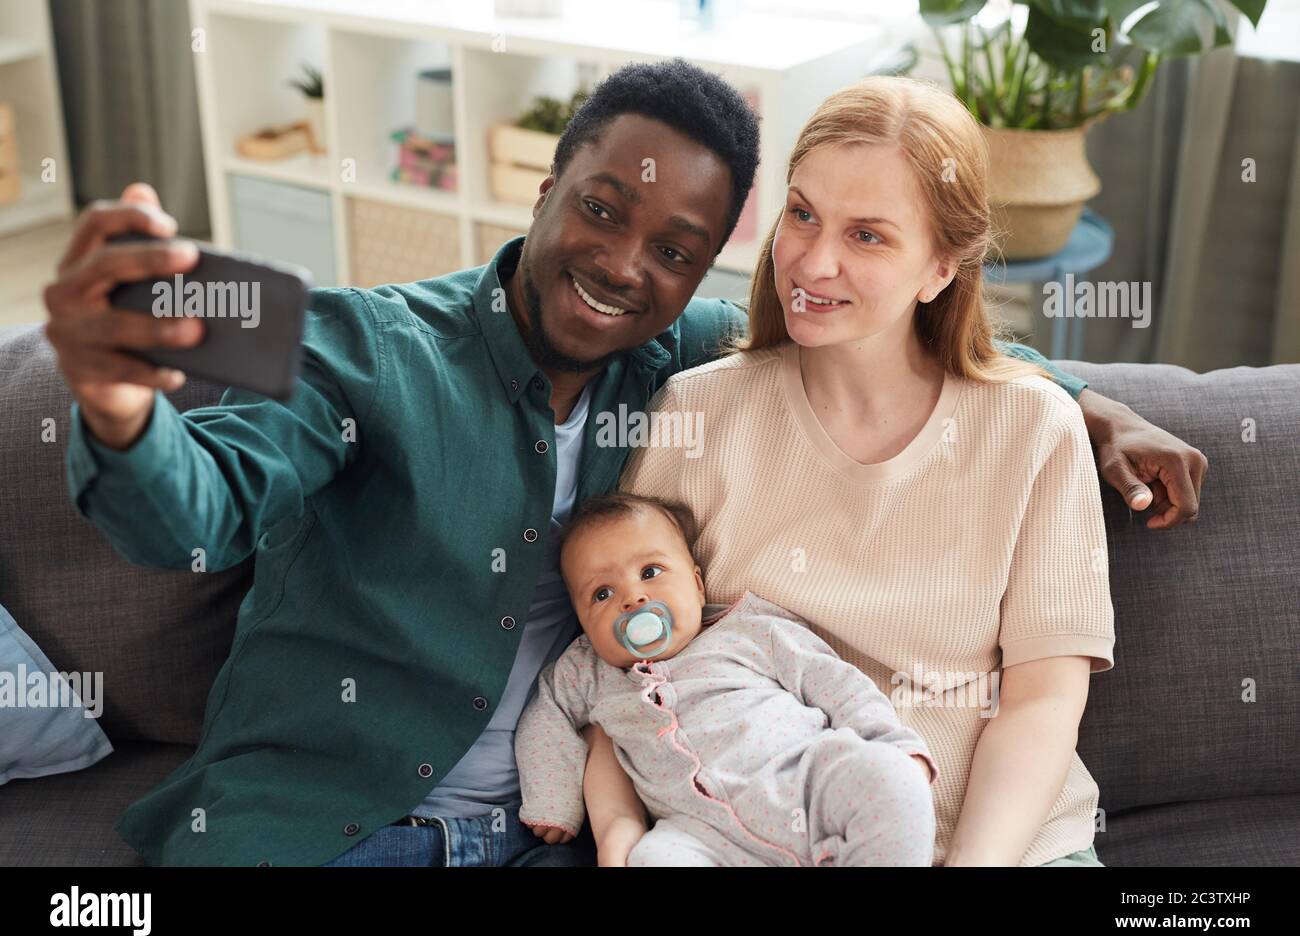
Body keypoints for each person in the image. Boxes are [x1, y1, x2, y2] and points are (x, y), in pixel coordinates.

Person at [40, 59, 1205, 866]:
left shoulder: (680, 363)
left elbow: (912, 346)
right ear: (544, 191)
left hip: (549, 834)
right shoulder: (368, 348)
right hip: (334, 824)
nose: (618, 267)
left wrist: (1090, 402)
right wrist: (116, 399)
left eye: (674, 250)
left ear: (701, 272)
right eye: (598, 209)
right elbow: (195, 510)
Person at [602, 74, 1170, 867]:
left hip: (999, 849)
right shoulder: (697, 412)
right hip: (756, 843)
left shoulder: (1033, 429)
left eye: (867, 235)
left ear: (942, 267)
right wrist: (621, 835)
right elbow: (631, 662)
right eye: (803, 214)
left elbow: (1041, 701)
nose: (814, 261)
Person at [515, 491, 939, 866]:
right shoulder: (587, 671)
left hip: (805, 785)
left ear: (697, 585)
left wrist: (891, 744)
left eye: (650, 572)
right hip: (701, 837)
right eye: (601, 594)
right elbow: (546, 713)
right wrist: (553, 800)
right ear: (584, 625)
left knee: (889, 779)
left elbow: (838, 684)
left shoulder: (751, 631)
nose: (632, 598)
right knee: (651, 857)